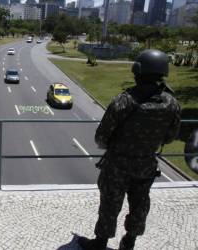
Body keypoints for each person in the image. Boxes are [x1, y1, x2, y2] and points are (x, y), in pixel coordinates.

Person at [79, 49, 181, 250]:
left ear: (138, 71)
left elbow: (101, 138)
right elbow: (170, 137)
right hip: (146, 165)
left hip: (118, 165)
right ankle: (129, 242)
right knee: (140, 204)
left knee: (110, 204)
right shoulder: (172, 103)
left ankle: (100, 243)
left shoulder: (124, 100)